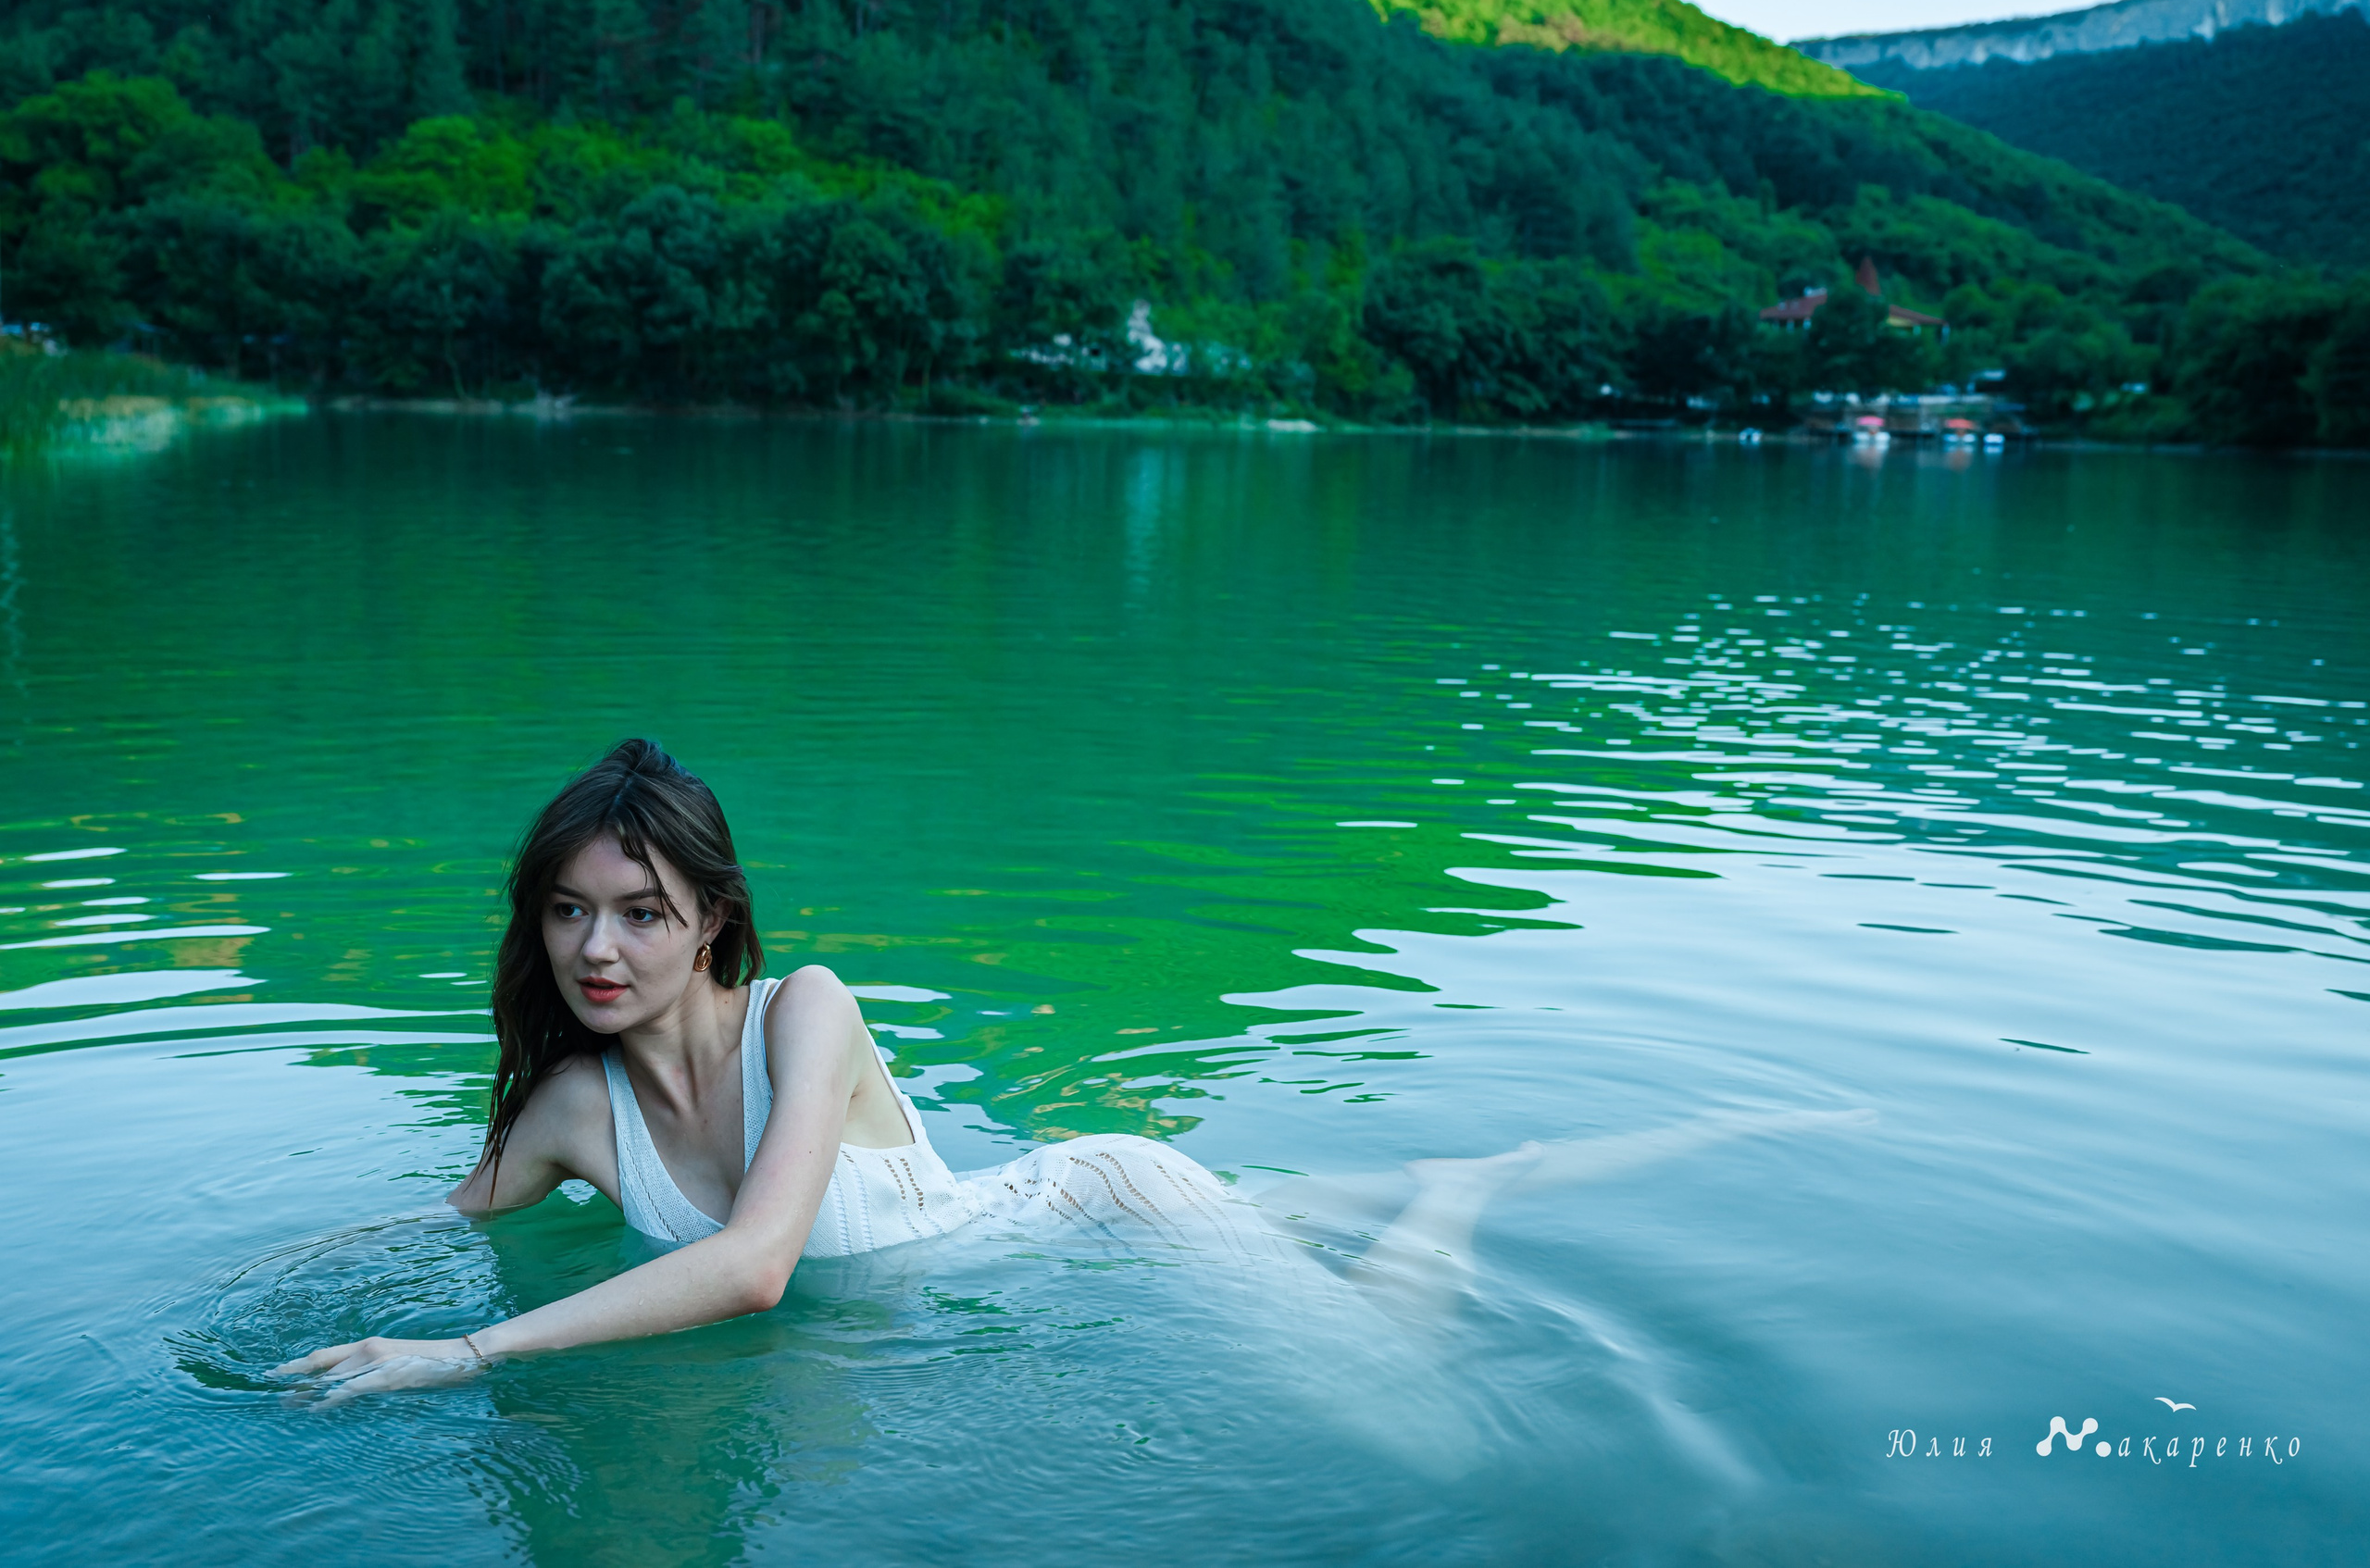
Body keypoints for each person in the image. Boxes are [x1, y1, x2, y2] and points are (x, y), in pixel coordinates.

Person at [276, 739, 1870, 1406]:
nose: (596, 949)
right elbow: (437, 1234)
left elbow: (758, 1270)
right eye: (566, 912)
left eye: (640, 913)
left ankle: (1450, 1199)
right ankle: (1331, 1204)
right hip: (991, 1241)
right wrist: (251, 1293)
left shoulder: (802, 1014)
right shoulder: (574, 1111)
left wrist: (470, 1357)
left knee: (1405, 1414)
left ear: (715, 924)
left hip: (1107, 1200)